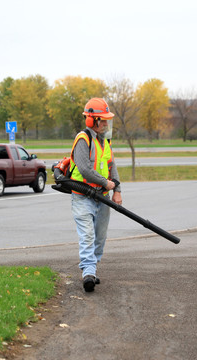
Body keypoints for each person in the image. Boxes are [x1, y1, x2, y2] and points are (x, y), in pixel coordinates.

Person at [70, 98, 122, 292]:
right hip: (82, 197)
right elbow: (84, 168)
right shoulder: (83, 139)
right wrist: (105, 183)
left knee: (100, 237)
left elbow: (111, 166)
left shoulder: (105, 142)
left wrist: (117, 189)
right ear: (92, 120)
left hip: (103, 198)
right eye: (104, 120)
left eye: (108, 120)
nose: (107, 124)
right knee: (87, 236)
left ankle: (92, 267)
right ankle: (88, 273)